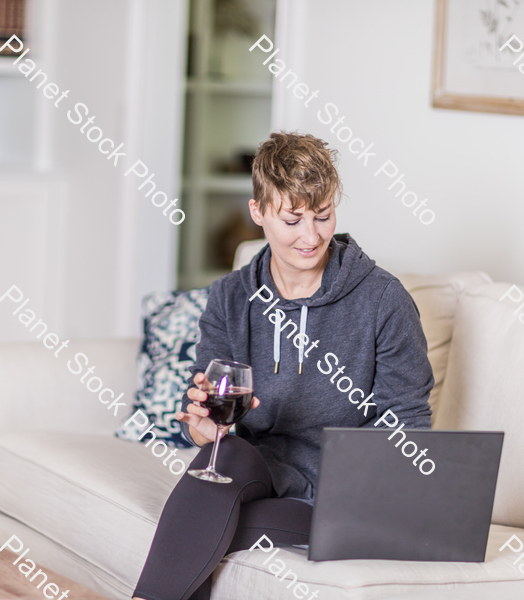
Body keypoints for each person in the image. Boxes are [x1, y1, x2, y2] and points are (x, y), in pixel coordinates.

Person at [132, 132, 434, 600]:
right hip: (256, 472)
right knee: (225, 460)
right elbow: (208, 422)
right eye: (292, 219)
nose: (311, 236)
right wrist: (204, 431)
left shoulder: (383, 300)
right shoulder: (231, 298)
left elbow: (408, 424)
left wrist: (362, 492)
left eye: (323, 215)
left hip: (340, 493)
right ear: (258, 213)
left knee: (196, 523)